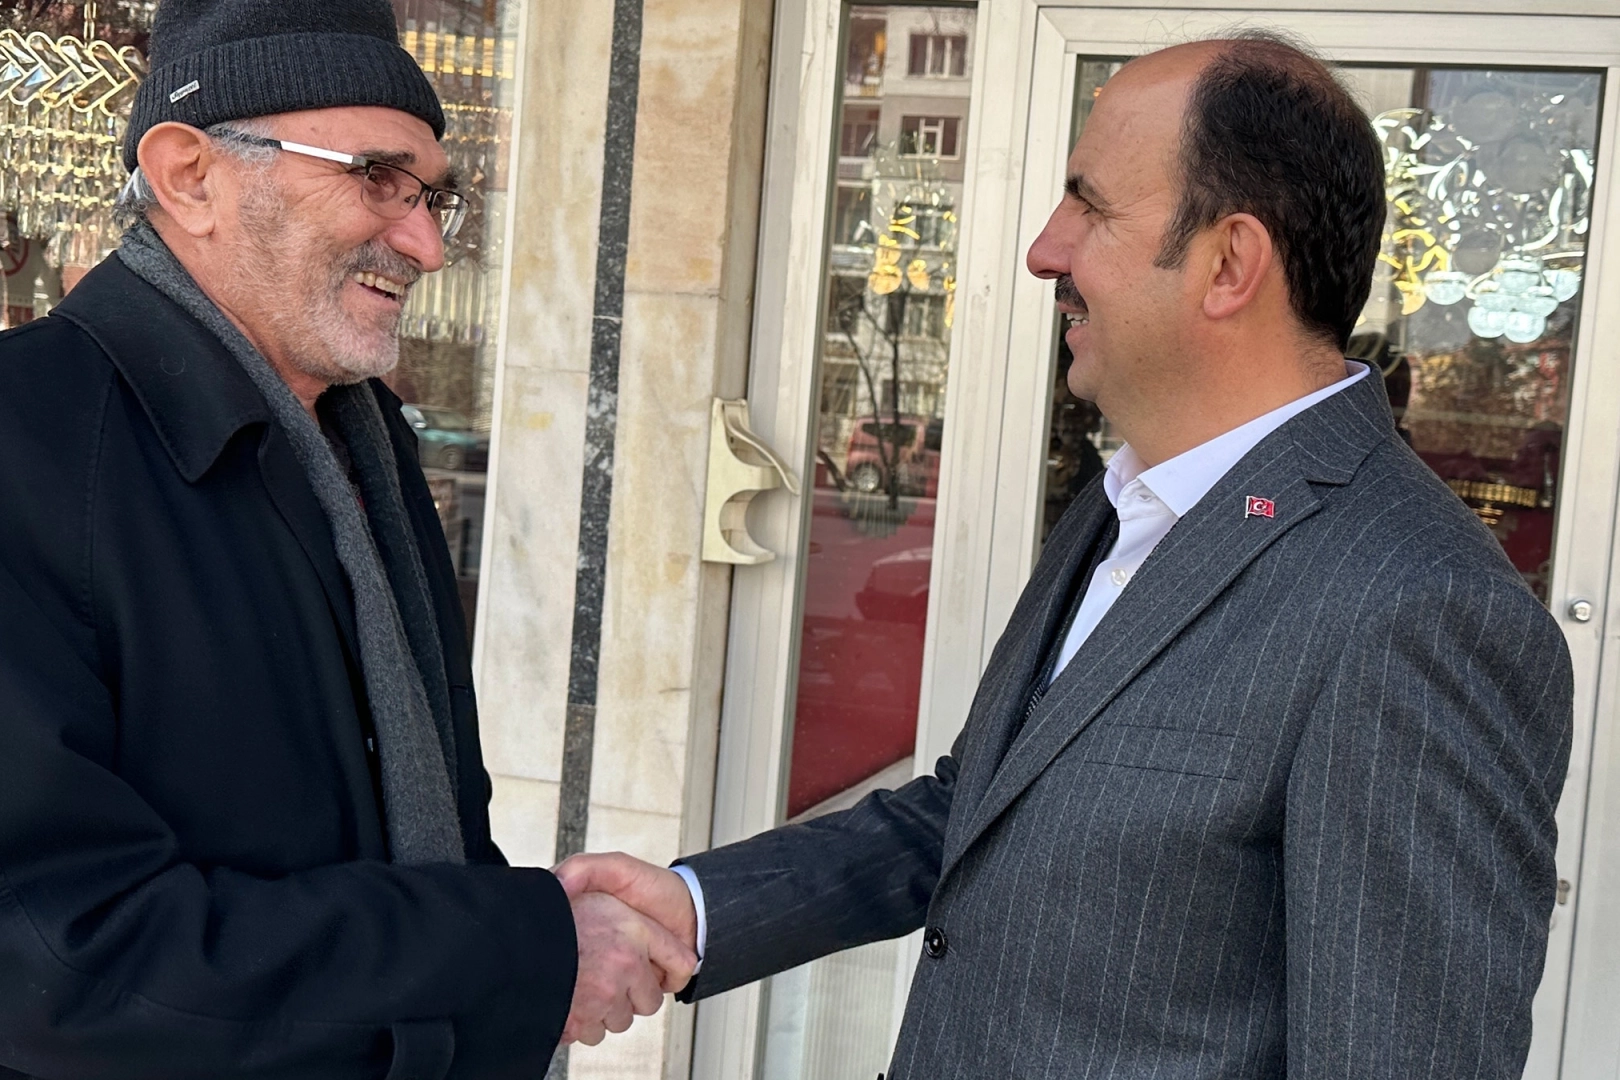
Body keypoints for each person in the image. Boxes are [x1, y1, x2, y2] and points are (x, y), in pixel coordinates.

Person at [558, 32, 1574, 1078]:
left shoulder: (1424, 608)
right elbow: (982, 807)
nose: (1046, 250)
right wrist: (698, 908)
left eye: (1089, 205)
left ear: (1229, 263)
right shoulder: (1128, 495)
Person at [0, 1, 692, 1076]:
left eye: (433, 196)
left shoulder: (364, 442)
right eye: (375, 177)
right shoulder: (24, 438)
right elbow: (61, 960)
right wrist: (512, 953)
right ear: (189, 177)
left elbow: (424, 826)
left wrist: (509, 962)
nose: (425, 243)